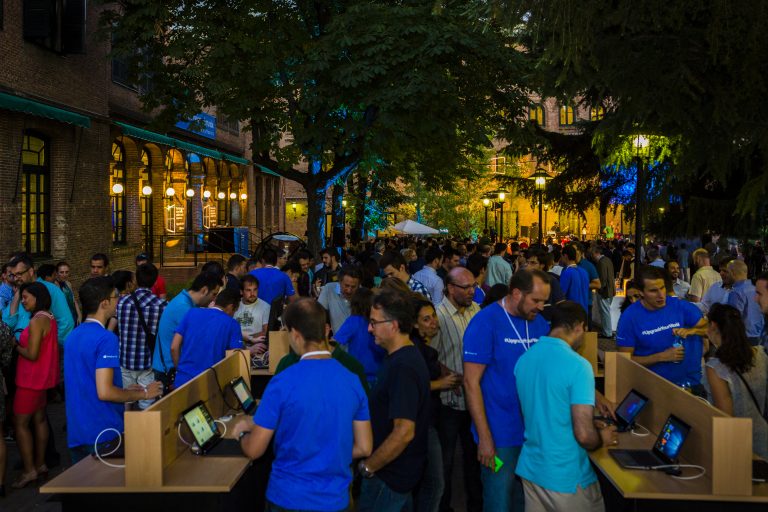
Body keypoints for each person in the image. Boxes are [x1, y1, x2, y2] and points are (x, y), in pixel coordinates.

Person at [230, 299, 372, 511]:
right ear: (324, 330)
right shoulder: (352, 379)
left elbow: (254, 450)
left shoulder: (282, 381)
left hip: (288, 497)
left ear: (295, 334)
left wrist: (242, 433)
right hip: (335, 499)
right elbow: (364, 446)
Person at [515, 301, 617, 512]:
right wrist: (602, 438)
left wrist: (591, 421)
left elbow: (547, 409)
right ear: (579, 326)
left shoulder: (525, 359)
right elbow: (584, 436)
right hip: (567, 476)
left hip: (532, 469)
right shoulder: (578, 366)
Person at [463, 270, 551, 512]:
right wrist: (485, 438)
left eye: (544, 301)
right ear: (516, 294)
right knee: (498, 501)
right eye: (536, 300)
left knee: (526, 501)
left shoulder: (538, 322)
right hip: (499, 435)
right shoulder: (485, 322)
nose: (541, 307)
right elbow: (471, 383)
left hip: (532, 433)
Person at [65, 277, 162, 463]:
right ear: (104, 303)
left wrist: (126, 391)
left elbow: (88, 382)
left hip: (77, 432)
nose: (119, 300)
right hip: (103, 432)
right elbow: (105, 391)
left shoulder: (73, 335)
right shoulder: (106, 339)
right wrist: (143, 393)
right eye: (116, 296)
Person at [358, 289, 430, 512]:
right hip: (398, 475)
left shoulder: (403, 367)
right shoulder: (401, 357)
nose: (370, 329)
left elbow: (404, 432)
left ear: (394, 324)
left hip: (388, 477)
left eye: (374, 322)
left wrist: (369, 467)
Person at [432, 268, 483, 512]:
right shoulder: (438, 316)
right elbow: (431, 356)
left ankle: (477, 503)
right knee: (446, 461)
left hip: (476, 402)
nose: (472, 290)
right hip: (450, 403)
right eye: (466, 287)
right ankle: (444, 506)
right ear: (451, 288)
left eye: (473, 285)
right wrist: (447, 374)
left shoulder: (477, 311)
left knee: (476, 457)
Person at [616, 266, 707, 392]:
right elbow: (624, 360)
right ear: (641, 292)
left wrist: (692, 331)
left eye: (662, 288)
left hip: (690, 386)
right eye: (653, 291)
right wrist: (661, 357)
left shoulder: (681, 307)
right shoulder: (629, 317)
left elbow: (711, 330)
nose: (661, 295)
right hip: (652, 389)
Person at [410, 296, 462, 512]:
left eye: (433, 317)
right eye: (426, 319)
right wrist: (441, 383)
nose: (434, 322)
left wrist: (444, 372)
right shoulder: (413, 351)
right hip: (420, 423)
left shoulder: (424, 349)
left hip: (429, 419)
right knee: (434, 480)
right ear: (414, 324)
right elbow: (412, 385)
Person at [704, 303, 768, 458]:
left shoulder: (715, 368)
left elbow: (725, 419)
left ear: (713, 326)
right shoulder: (760, 354)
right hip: (762, 435)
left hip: (740, 447)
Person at [12, 282, 59, 489]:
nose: (23, 301)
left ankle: (29, 470)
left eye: (26, 297)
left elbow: (32, 354)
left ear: (37, 298)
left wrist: (16, 346)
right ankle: (40, 465)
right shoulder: (49, 317)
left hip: (29, 380)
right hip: (43, 380)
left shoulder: (35, 322)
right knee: (39, 420)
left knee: (20, 424)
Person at [152, 272, 221, 390]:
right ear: (204, 290)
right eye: (214, 294)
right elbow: (176, 347)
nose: (214, 299)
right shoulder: (183, 308)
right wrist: (182, 375)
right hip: (170, 371)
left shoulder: (186, 302)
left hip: (170, 368)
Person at [171, 288, 245, 388]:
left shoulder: (191, 313)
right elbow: (236, 358)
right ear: (231, 307)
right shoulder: (232, 324)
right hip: (210, 384)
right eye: (235, 311)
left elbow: (174, 347)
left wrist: (180, 370)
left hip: (182, 381)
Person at [116, 263, 166, 410]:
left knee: (126, 398)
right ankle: (144, 430)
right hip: (147, 360)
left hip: (125, 358)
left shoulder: (122, 302)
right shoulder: (162, 305)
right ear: (155, 281)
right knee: (147, 401)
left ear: (136, 280)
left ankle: (125, 430)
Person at [2, 254, 74, 344]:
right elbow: (7, 323)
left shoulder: (51, 289)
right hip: (19, 351)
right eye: (13, 275)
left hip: (41, 353)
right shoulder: (19, 291)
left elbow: (66, 323)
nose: (16, 279)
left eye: (19, 274)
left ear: (31, 271)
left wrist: (47, 346)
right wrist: (17, 295)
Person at [334, 287, 385, 386]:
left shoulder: (353, 321)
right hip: (379, 373)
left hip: (358, 374)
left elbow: (336, 342)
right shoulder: (377, 322)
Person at [725, 260, 764, 345]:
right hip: (760, 336)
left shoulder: (736, 292)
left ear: (732, 273)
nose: (725, 275)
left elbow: (733, 320)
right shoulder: (756, 288)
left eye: (727, 272)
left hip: (744, 338)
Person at [318, 266, 362, 334]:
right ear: (339, 281)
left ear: (359, 285)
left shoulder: (363, 295)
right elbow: (318, 311)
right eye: (346, 286)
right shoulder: (329, 289)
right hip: (338, 342)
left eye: (353, 287)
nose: (349, 290)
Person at [233, 275, 270, 350]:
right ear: (241, 291)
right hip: (236, 346)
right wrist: (247, 339)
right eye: (248, 290)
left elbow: (265, 332)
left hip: (256, 345)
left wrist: (247, 339)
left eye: (255, 289)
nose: (252, 293)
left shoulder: (265, 307)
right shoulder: (234, 305)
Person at [590, 246, 615, 338]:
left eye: (592, 254)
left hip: (604, 291)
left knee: (605, 312)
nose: (592, 256)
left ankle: (607, 332)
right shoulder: (607, 260)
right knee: (606, 312)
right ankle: (607, 331)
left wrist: (599, 288)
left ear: (596, 253)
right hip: (610, 290)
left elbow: (603, 279)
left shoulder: (601, 262)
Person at [560, 245, 590, 315]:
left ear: (565, 256)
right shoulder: (584, 272)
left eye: (561, 256)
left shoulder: (567, 272)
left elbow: (561, 294)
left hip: (572, 312)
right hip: (584, 311)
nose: (561, 259)